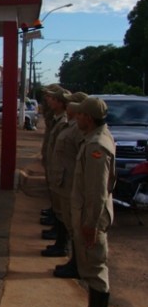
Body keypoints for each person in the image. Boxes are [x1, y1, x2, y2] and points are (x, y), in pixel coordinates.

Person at [67, 97, 115, 307]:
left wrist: (90, 224)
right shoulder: (94, 138)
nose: (77, 118)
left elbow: (97, 191)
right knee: (90, 265)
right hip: (88, 213)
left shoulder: (97, 145)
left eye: (80, 114)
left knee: (95, 268)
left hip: (92, 216)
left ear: (88, 117)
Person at [48, 91, 88, 278]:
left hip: (71, 180)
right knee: (67, 219)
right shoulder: (70, 124)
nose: (68, 105)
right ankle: (73, 259)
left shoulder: (77, 128)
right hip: (63, 179)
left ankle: (77, 264)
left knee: (74, 225)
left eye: (72, 103)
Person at [41, 88, 70, 258]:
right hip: (55, 167)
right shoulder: (57, 119)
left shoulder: (64, 122)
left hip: (61, 171)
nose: (48, 100)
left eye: (52, 98)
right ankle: (59, 237)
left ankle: (62, 243)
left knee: (63, 209)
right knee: (58, 206)